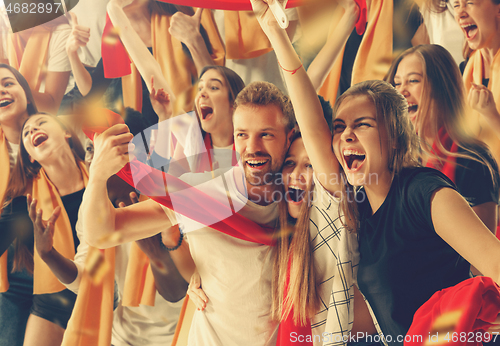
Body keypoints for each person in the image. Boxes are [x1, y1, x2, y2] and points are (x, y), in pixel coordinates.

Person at [251, 0, 500, 344]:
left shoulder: (425, 194)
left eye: (362, 124)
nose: (346, 135)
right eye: (340, 127)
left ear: (395, 137)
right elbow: (311, 126)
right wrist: (275, 34)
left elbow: (495, 265)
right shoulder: (355, 204)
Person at [81, 80, 296, 345]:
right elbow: (102, 233)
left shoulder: (301, 198)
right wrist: (98, 176)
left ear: (290, 136)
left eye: (266, 134)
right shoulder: (205, 190)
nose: (252, 147)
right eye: (242, 134)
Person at [386, 44, 498, 244]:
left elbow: (483, 259)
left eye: (413, 81)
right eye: (397, 83)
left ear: (442, 88)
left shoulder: (473, 159)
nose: (401, 91)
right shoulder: (398, 159)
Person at [2, 113, 86, 346]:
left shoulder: (103, 177)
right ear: (30, 156)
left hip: (104, 294)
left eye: (41, 123)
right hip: (52, 302)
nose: (32, 130)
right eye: (26, 132)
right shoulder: (24, 204)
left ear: (66, 132)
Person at [0, 64, 38, 346]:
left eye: (8, 83)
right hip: (9, 274)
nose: (1, 91)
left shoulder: (59, 132)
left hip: (60, 266)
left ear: (26, 91)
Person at [454, 0, 500, 165]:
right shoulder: (465, 69)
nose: (460, 13)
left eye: (470, 3)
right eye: (456, 5)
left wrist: (491, 115)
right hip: (479, 184)